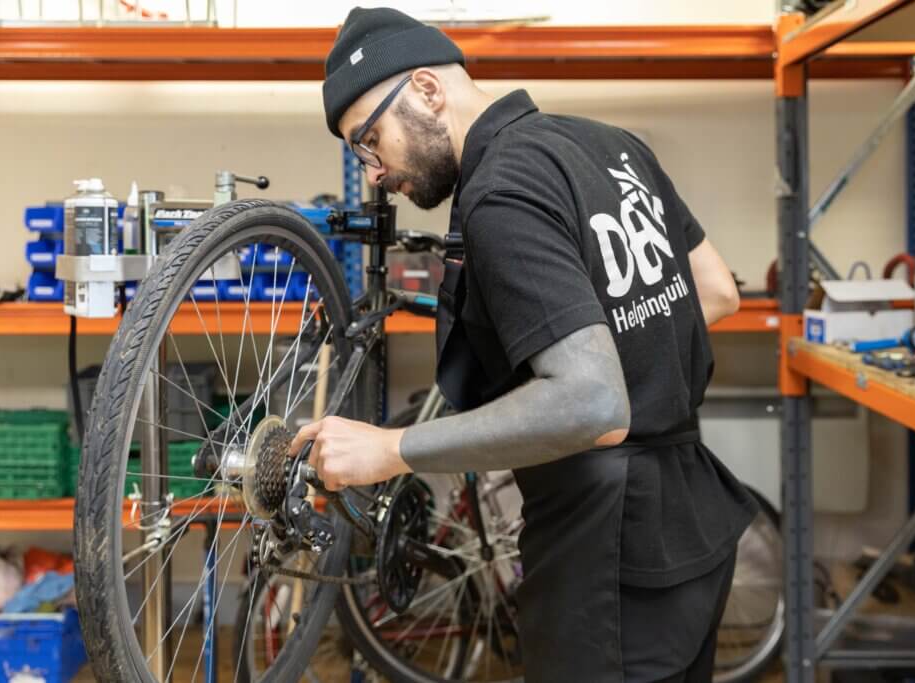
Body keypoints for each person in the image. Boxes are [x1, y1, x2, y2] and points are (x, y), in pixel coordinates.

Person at [290, 7, 759, 681]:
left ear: (426, 89)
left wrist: (391, 450)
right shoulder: (609, 143)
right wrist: (613, 348)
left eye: (370, 140)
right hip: (693, 530)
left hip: (610, 554)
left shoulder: (500, 190)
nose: (373, 172)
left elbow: (594, 405)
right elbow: (715, 289)